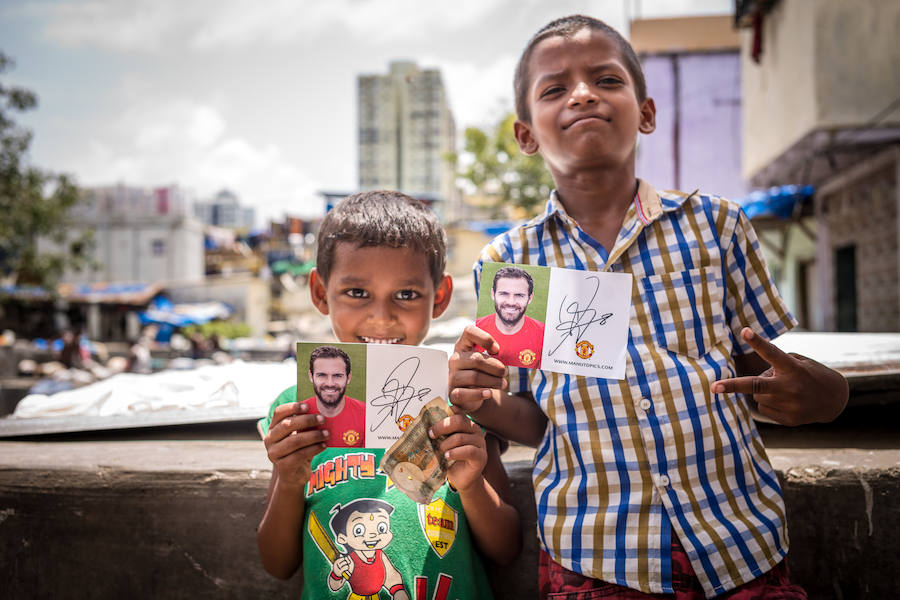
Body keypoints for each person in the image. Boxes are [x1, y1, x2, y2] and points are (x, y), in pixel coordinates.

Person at [449, 15, 848, 600]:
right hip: (594, 556)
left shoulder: (718, 225)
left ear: (647, 113)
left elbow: (771, 377)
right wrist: (486, 401)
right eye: (555, 89)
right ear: (527, 134)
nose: (582, 93)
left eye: (606, 80)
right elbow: (542, 419)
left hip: (740, 541)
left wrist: (826, 395)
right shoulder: (511, 261)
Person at [257, 190, 521, 600]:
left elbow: (506, 548)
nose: (381, 316)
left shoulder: (461, 405)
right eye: (357, 293)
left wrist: (470, 485)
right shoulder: (300, 413)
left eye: (407, 294)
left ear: (440, 297)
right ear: (320, 293)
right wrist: (291, 482)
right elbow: (277, 563)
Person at [475, 266, 545, 368]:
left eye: (519, 295)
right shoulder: (476, 331)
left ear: (530, 298)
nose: (511, 302)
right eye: (504, 294)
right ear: (493, 294)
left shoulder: (544, 334)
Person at [302, 345, 366, 448]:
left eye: (337, 376)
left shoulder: (366, 415)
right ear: (311, 376)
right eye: (322, 375)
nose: (330, 383)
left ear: (348, 378)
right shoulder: (298, 416)